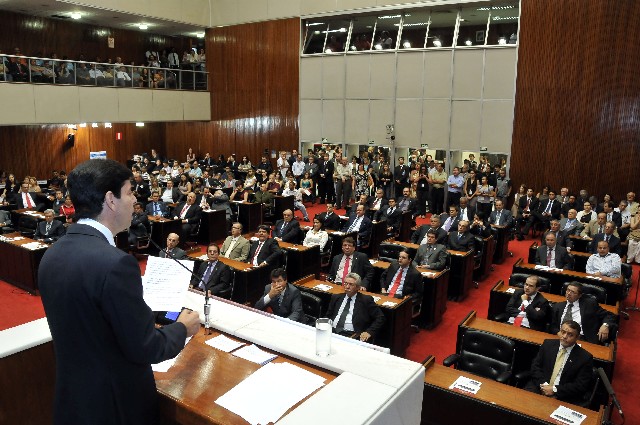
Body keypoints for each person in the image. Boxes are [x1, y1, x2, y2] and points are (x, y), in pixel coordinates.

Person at [38, 159, 200, 425]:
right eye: (129, 192)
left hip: (73, 400)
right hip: (115, 407)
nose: (135, 200)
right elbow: (146, 347)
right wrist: (183, 327)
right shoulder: (116, 263)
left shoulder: (52, 254)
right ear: (111, 200)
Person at [524, 321, 594, 405]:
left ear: (577, 337)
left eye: (570, 335)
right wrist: (544, 385)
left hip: (563, 395)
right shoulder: (547, 344)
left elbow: (580, 385)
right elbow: (535, 367)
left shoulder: (585, 357)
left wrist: (554, 390)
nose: (564, 336)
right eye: (563, 332)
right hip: (539, 386)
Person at [325, 273, 385, 342]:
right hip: (332, 331)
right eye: (345, 283)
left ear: (358, 287)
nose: (347, 287)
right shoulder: (336, 297)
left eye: (351, 284)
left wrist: (369, 332)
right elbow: (328, 316)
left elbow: (380, 317)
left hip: (352, 335)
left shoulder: (366, 300)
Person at [549, 282, 615, 344]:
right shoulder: (558, 306)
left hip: (582, 339)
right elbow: (553, 326)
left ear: (580, 295)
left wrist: (605, 325)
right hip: (562, 337)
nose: (568, 293)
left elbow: (609, 315)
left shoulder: (590, 304)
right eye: (568, 290)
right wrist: (558, 332)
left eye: (572, 292)